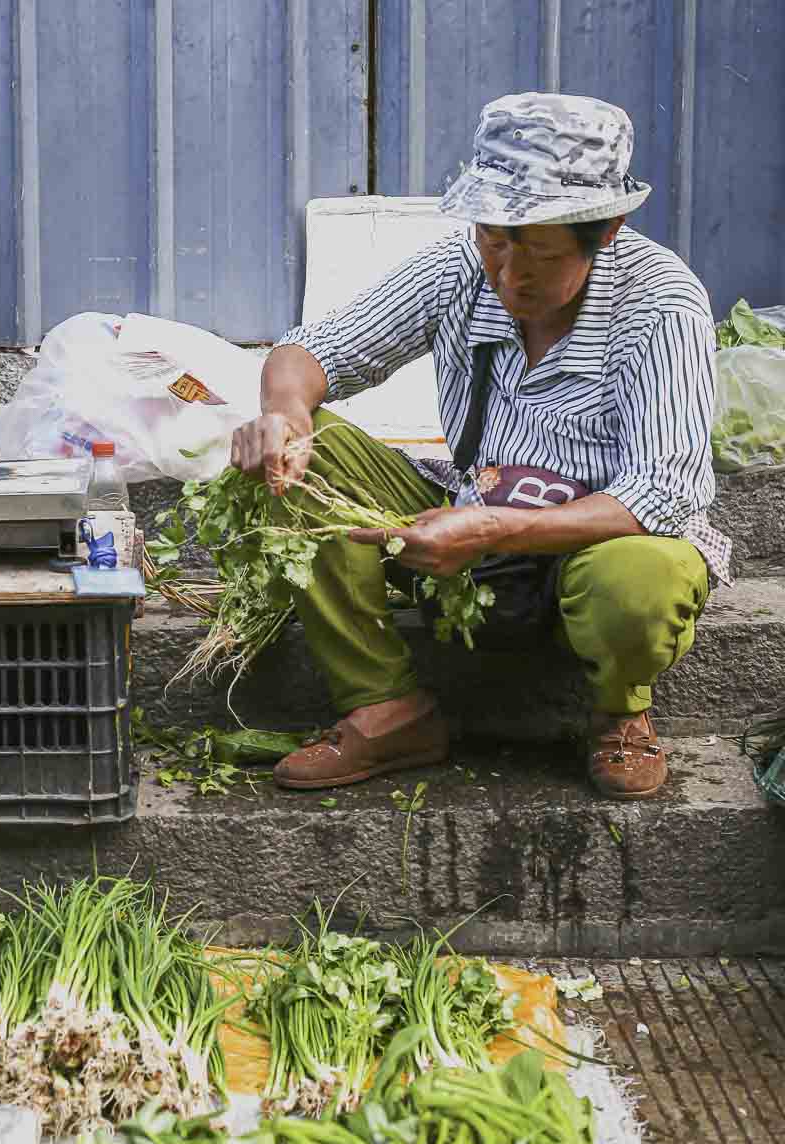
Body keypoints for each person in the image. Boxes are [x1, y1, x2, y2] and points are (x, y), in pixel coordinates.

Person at [230, 93, 730, 801]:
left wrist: (497, 527)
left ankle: (620, 711)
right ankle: (386, 706)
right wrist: (283, 414)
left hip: (596, 542)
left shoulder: (662, 305)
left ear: (608, 229)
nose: (508, 274)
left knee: (640, 581)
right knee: (308, 459)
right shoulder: (462, 268)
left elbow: (662, 493)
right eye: (495, 240)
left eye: (540, 253)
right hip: (469, 509)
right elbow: (314, 351)